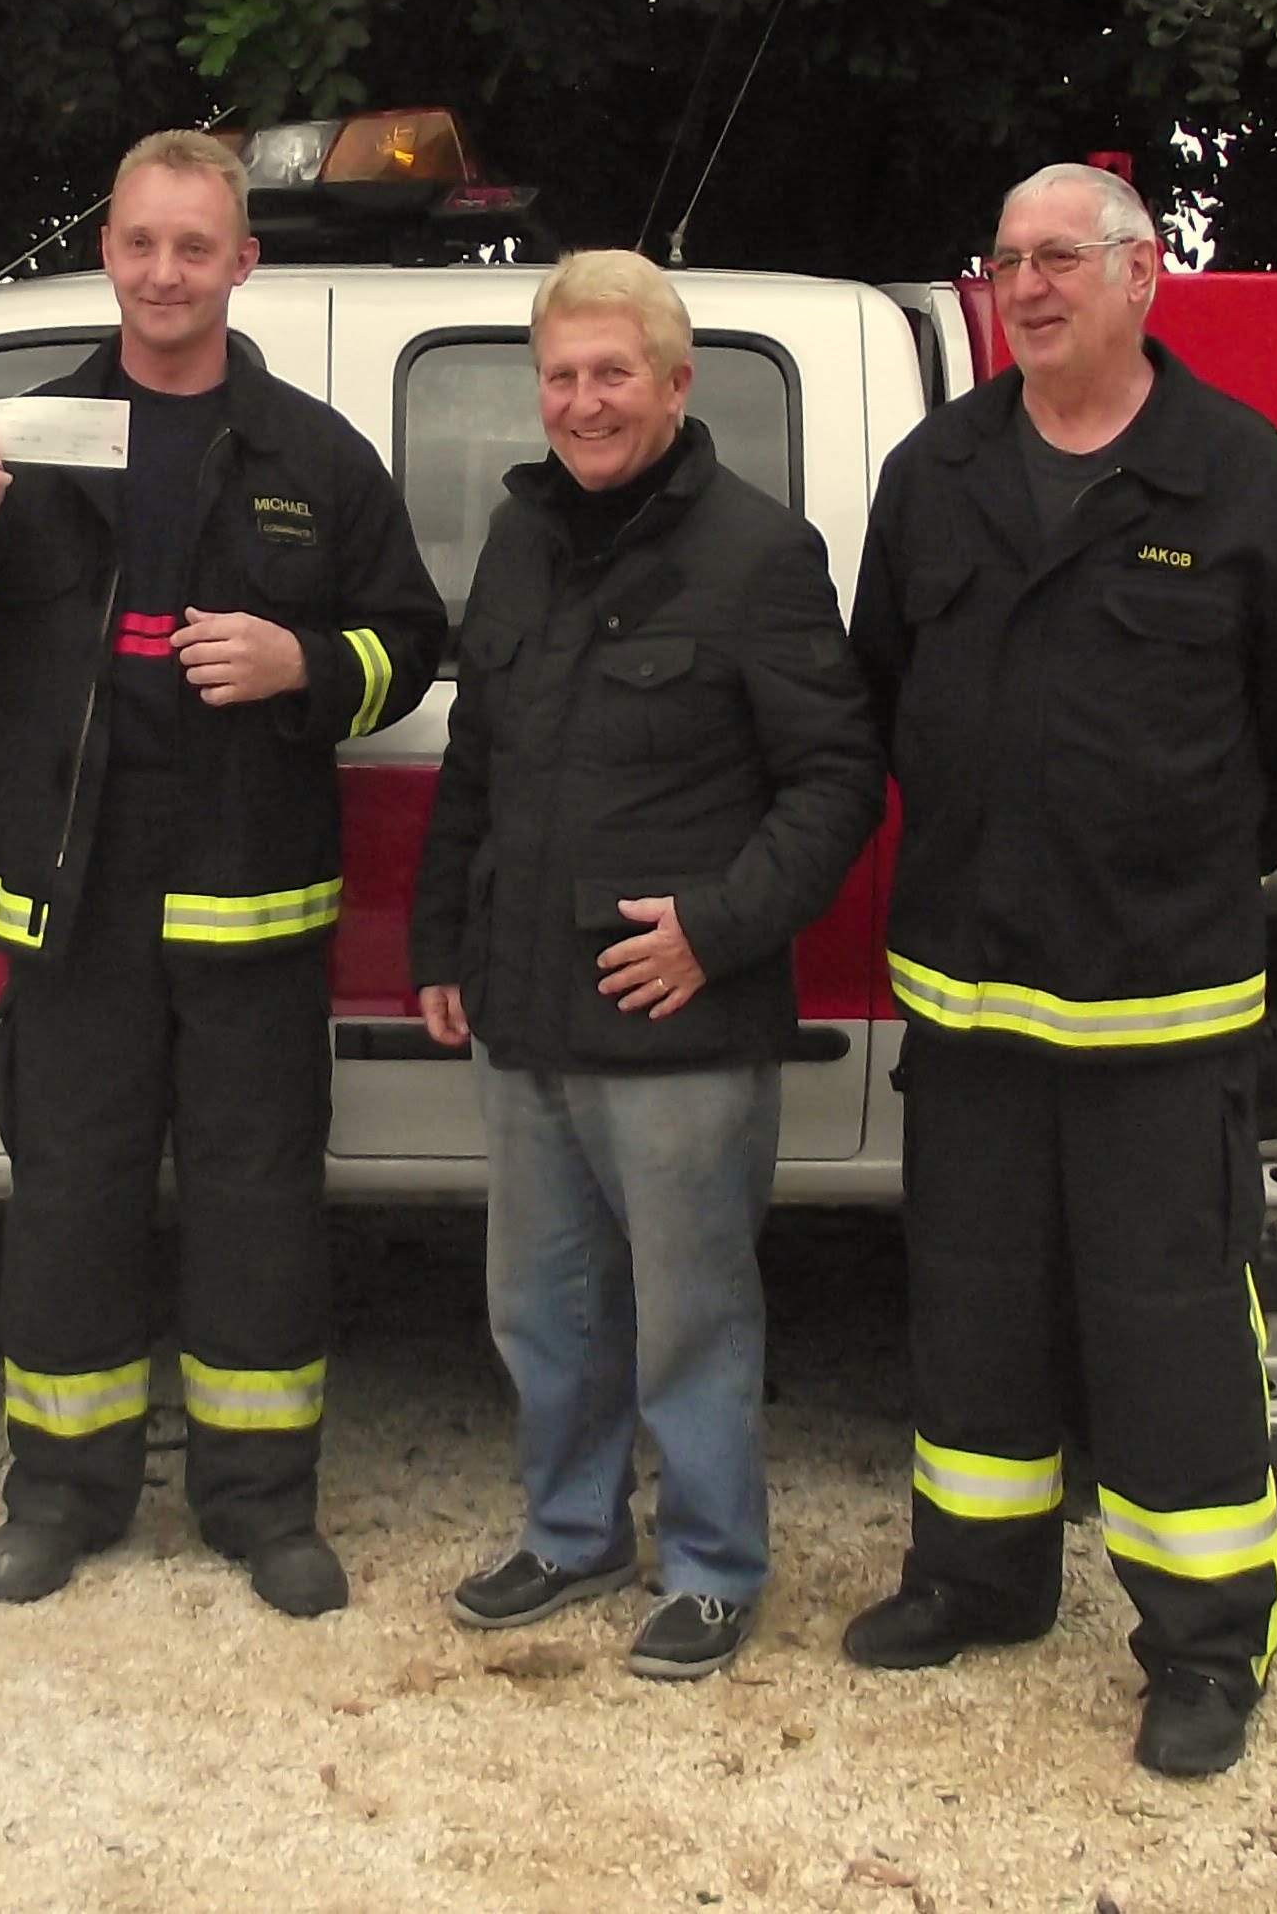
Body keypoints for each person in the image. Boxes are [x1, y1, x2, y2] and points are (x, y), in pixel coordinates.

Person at [840, 163, 1277, 1775]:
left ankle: (1207, 1643)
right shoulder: (939, 471)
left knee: (1169, 1329)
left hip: (1162, 1005)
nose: (1030, 285)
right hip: (973, 997)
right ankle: (979, 1578)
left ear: (1147, 278)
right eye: (1006, 261)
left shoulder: (1233, 475)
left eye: (1062, 257)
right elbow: (882, 688)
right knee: (976, 1305)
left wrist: (1171, 863)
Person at [0, 130, 447, 1616]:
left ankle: (261, 1503)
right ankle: (62, 1495)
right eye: (141, 242)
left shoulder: (313, 456)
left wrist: (302, 661)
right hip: (72, 896)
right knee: (69, 1195)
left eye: (194, 247)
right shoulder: (24, 436)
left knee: (257, 1201)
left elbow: (410, 647)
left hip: (249, 894)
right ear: (108, 251)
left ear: (241, 263)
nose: (163, 272)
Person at [409, 252, 882, 1679]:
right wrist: (443, 935)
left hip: (679, 1015)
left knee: (691, 1313)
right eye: (561, 375)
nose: (584, 401)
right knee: (541, 1308)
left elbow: (837, 779)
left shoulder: (756, 553)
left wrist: (714, 933)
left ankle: (716, 1565)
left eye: (613, 373)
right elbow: (477, 759)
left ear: (676, 385)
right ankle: (569, 1534)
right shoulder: (518, 540)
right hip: (527, 1009)